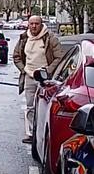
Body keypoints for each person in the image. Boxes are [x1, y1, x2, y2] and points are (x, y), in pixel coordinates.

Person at [14, 15, 64, 144]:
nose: (34, 26)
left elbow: (59, 57)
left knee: (45, 107)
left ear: (41, 24)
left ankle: (42, 134)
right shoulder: (24, 38)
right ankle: (31, 134)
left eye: (37, 23)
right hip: (29, 76)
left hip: (45, 79)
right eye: (31, 24)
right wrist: (23, 69)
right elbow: (16, 56)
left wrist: (47, 71)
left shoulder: (50, 38)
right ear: (28, 25)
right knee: (30, 106)